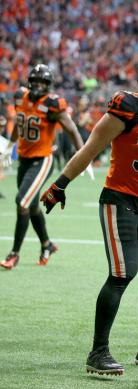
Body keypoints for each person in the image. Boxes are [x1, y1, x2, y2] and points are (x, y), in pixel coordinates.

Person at [40, 55, 138, 376]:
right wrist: (60, 184)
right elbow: (91, 148)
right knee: (123, 274)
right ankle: (98, 352)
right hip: (118, 200)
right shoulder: (127, 108)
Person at [0, 64, 85, 270]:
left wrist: (84, 155)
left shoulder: (53, 103)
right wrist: (9, 146)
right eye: (35, 81)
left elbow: (72, 129)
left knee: (22, 202)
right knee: (32, 205)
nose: (38, 85)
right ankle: (47, 244)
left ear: (48, 85)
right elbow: (20, 125)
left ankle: (14, 254)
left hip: (43, 159)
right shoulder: (20, 97)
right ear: (29, 82)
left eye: (43, 82)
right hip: (24, 158)